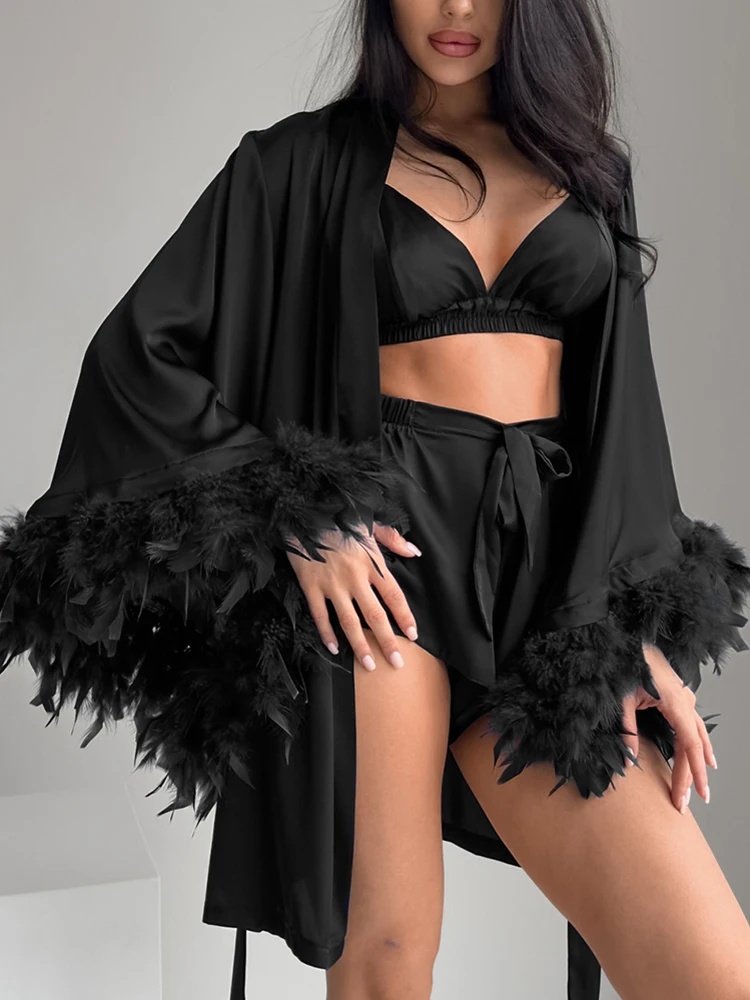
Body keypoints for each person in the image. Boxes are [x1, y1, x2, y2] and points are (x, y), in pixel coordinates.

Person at [2, 1, 750, 998]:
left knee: (715, 972)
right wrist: (293, 514)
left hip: (548, 584)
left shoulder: (589, 170)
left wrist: (631, 627)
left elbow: (623, 420)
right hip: (386, 563)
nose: (455, 7)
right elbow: (138, 359)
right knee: (386, 964)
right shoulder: (297, 165)